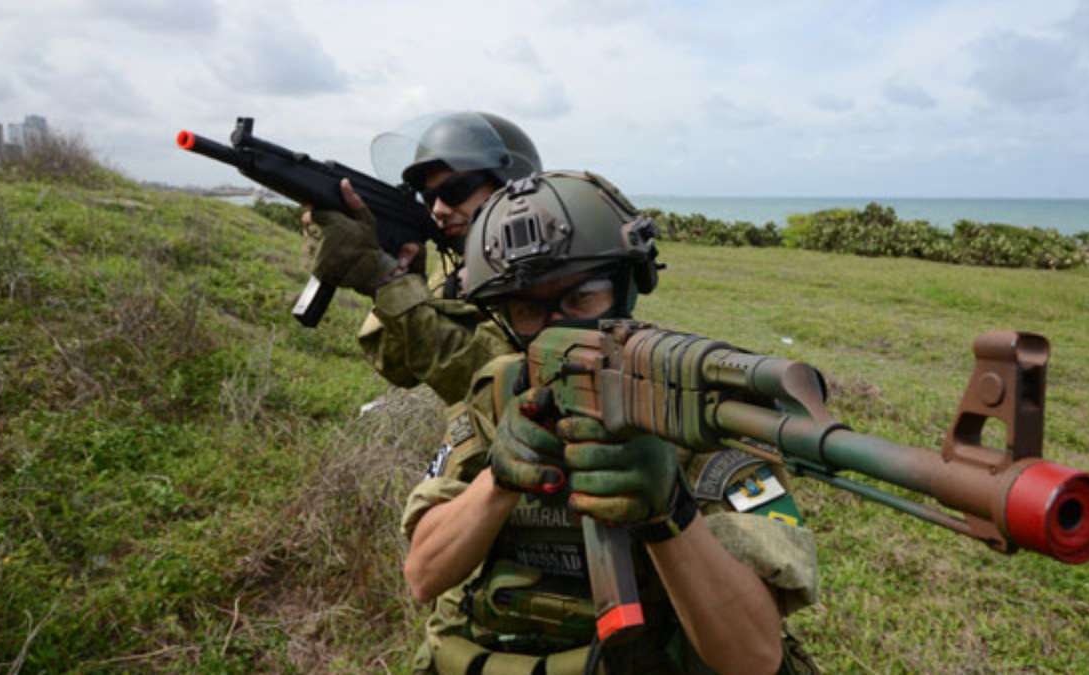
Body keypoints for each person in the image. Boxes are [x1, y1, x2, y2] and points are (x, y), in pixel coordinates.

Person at [401, 171, 820, 674]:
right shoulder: (498, 392)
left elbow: (752, 658)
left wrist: (670, 514)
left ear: (626, 288)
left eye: (582, 299)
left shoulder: (695, 402)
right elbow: (423, 576)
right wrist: (499, 479)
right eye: (529, 309)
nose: (560, 328)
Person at [303, 112, 542, 405]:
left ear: (511, 184)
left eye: (456, 190)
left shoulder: (547, 265)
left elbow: (498, 385)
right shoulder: (457, 267)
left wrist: (386, 282)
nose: (438, 209)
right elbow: (396, 366)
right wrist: (401, 277)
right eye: (429, 198)